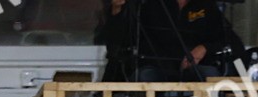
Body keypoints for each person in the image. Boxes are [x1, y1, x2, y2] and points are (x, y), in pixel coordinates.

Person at [102, 0, 242, 82]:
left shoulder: (206, 6)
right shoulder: (147, 4)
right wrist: (117, 10)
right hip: (155, 67)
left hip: (195, 69)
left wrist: (205, 48)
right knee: (147, 77)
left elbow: (232, 43)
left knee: (211, 75)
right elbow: (118, 41)